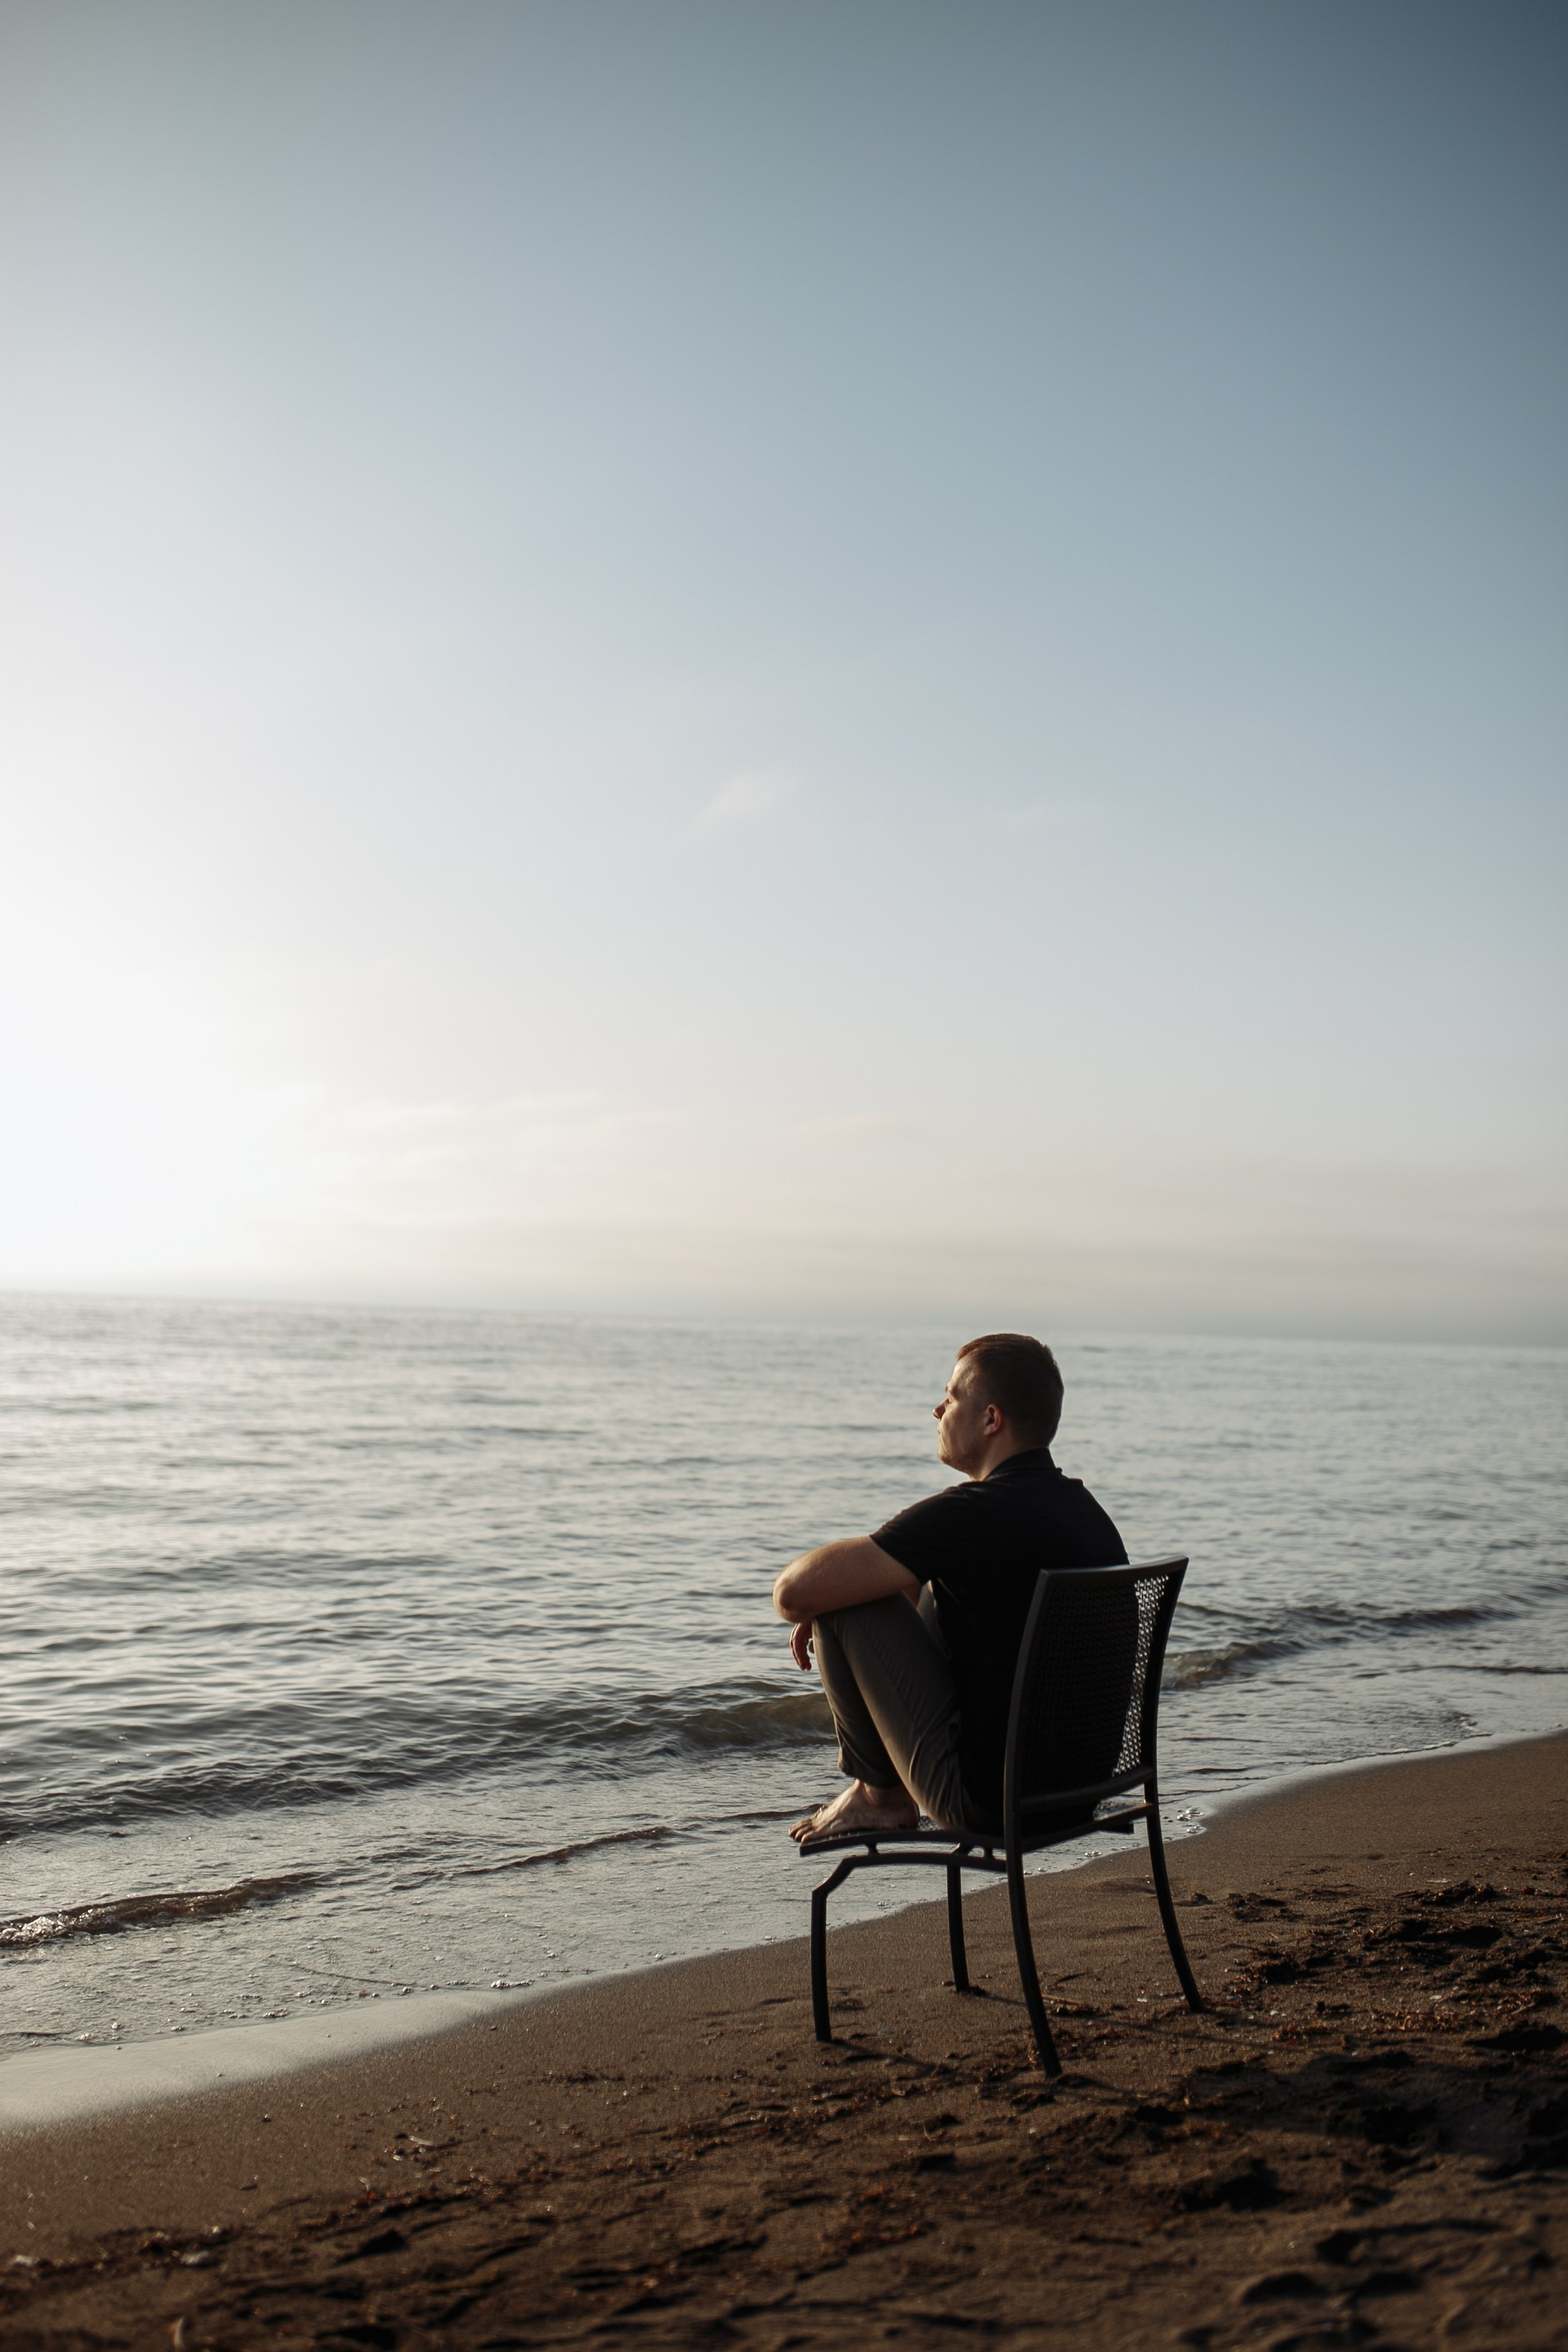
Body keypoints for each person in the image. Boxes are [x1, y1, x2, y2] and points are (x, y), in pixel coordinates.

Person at [772, 1332, 1126, 1844]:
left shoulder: (969, 1514)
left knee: (840, 1604)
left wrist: (837, 1601)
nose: (938, 1410)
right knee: (882, 1586)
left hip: (987, 1804)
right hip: (1075, 1796)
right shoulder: (1086, 1513)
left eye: (952, 1396)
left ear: (990, 1419)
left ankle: (880, 1797)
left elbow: (792, 1594)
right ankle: (879, 1791)